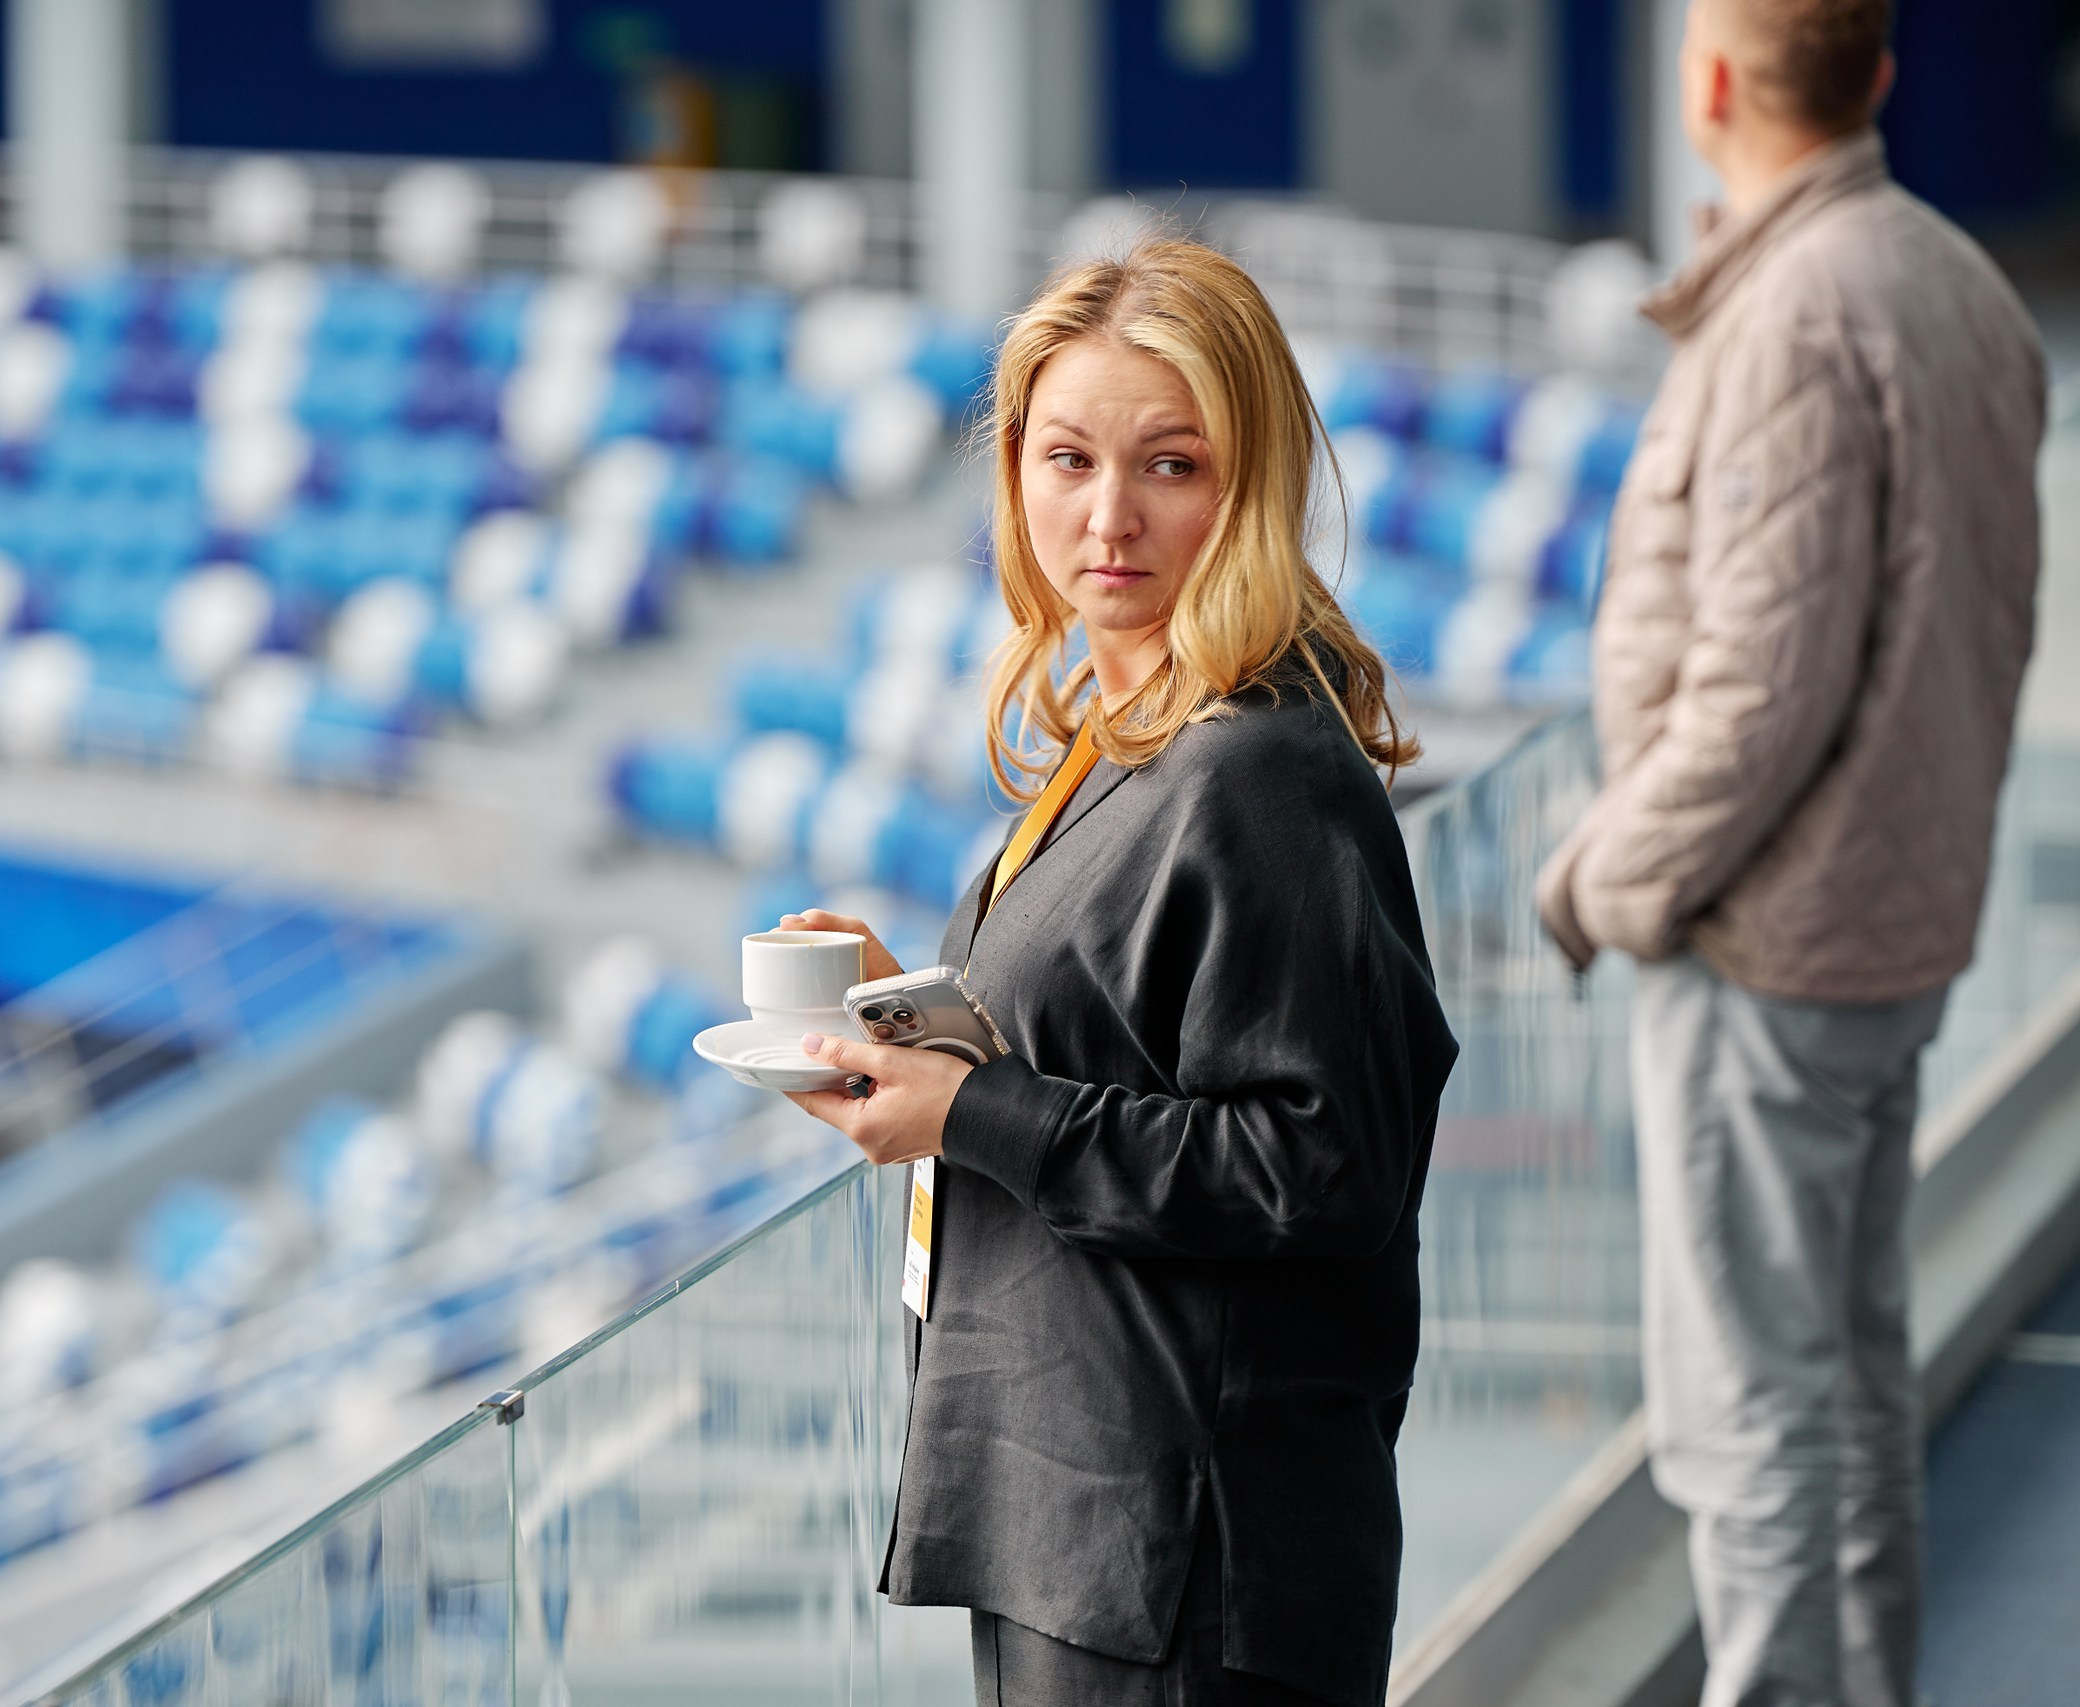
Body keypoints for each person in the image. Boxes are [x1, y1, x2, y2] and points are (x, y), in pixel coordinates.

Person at [777, 237, 1458, 1707]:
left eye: (1171, 465)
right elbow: (1130, 1042)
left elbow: (1320, 1168)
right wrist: (919, 1012)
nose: (1108, 518)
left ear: (1251, 482)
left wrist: (969, 1115)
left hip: (1186, 1560)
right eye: (1069, 458)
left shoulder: (1261, 770)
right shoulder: (1140, 715)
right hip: (1087, 1515)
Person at [1533, 3, 2048, 1704]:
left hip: (1770, 952)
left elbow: (1758, 694)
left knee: (1750, 1430)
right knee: (1850, 1385)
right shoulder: (1958, 281)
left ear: (1706, 83)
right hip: (1897, 928)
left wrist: (1599, 879)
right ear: (1880, 76)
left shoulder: (1797, 316)